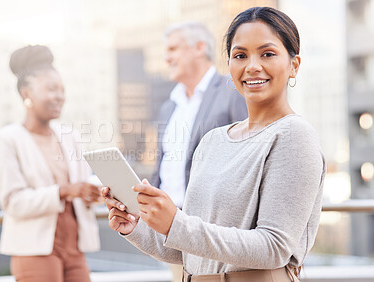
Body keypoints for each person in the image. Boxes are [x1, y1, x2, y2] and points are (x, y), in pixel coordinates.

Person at [104, 6, 326, 282]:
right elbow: (192, 250)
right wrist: (135, 227)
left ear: (294, 65)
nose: (252, 65)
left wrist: (177, 224)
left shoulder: (293, 135)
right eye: (240, 55)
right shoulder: (212, 141)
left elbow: (274, 247)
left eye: (267, 53)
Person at [0, 45, 101, 282]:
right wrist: (65, 191)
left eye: (61, 89)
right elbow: (13, 202)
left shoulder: (70, 136)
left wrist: (93, 193)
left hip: (75, 246)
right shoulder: (7, 140)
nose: (59, 96)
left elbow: (82, 188)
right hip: (34, 249)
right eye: (51, 89)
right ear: (26, 93)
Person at [150, 22, 248, 281]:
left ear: (199, 47)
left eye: (173, 49)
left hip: (215, 229)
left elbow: (249, 155)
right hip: (171, 228)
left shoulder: (231, 91)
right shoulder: (169, 106)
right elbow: (164, 166)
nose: (167, 57)